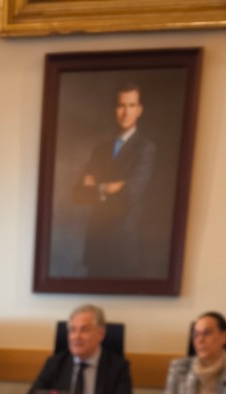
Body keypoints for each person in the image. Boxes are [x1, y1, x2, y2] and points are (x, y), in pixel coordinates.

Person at [75, 82, 156, 278]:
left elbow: (130, 194)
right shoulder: (100, 149)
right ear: (115, 109)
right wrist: (109, 188)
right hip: (96, 247)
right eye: (121, 106)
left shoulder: (145, 148)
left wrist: (96, 188)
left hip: (123, 248)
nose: (125, 112)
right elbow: (78, 194)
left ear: (139, 110)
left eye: (131, 106)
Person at [17, 305, 133, 394]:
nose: (76, 337)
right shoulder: (55, 364)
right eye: (72, 330)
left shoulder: (117, 367)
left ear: (100, 334)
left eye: (84, 330)